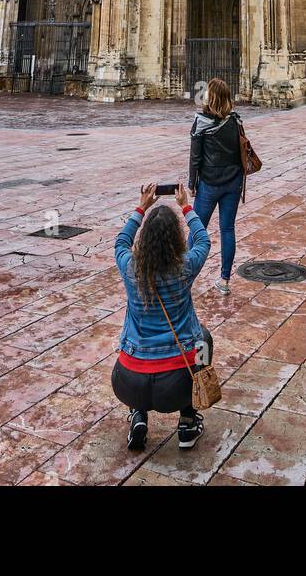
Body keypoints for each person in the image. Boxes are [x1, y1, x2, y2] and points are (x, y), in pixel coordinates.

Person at [112, 181, 212, 452]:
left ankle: (138, 416)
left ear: (144, 240)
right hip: (176, 386)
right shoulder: (185, 267)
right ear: (176, 239)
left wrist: (141, 208)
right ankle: (188, 422)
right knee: (203, 338)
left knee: (134, 344)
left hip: (127, 382)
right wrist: (186, 207)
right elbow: (203, 240)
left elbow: (121, 241)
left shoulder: (130, 268)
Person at [188, 77, 244, 296]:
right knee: (227, 229)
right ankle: (224, 280)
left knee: (196, 228)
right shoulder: (236, 121)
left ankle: (184, 277)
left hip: (209, 184)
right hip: (233, 183)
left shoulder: (201, 121)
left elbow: (195, 158)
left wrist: (192, 184)